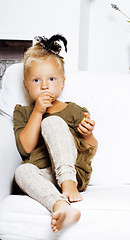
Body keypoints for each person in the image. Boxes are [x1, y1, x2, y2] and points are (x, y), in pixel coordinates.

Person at [13, 34, 98, 233]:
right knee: (21, 171)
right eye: (36, 80)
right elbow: (25, 149)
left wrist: (87, 135)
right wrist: (37, 112)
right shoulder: (23, 112)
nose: (44, 86)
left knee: (52, 122)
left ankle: (68, 184)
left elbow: (91, 149)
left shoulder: (74, 110)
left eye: (51, 79)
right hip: (46, 175)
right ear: (26, 86)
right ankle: (61, 206)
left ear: (62, 83)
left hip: (73, 174)